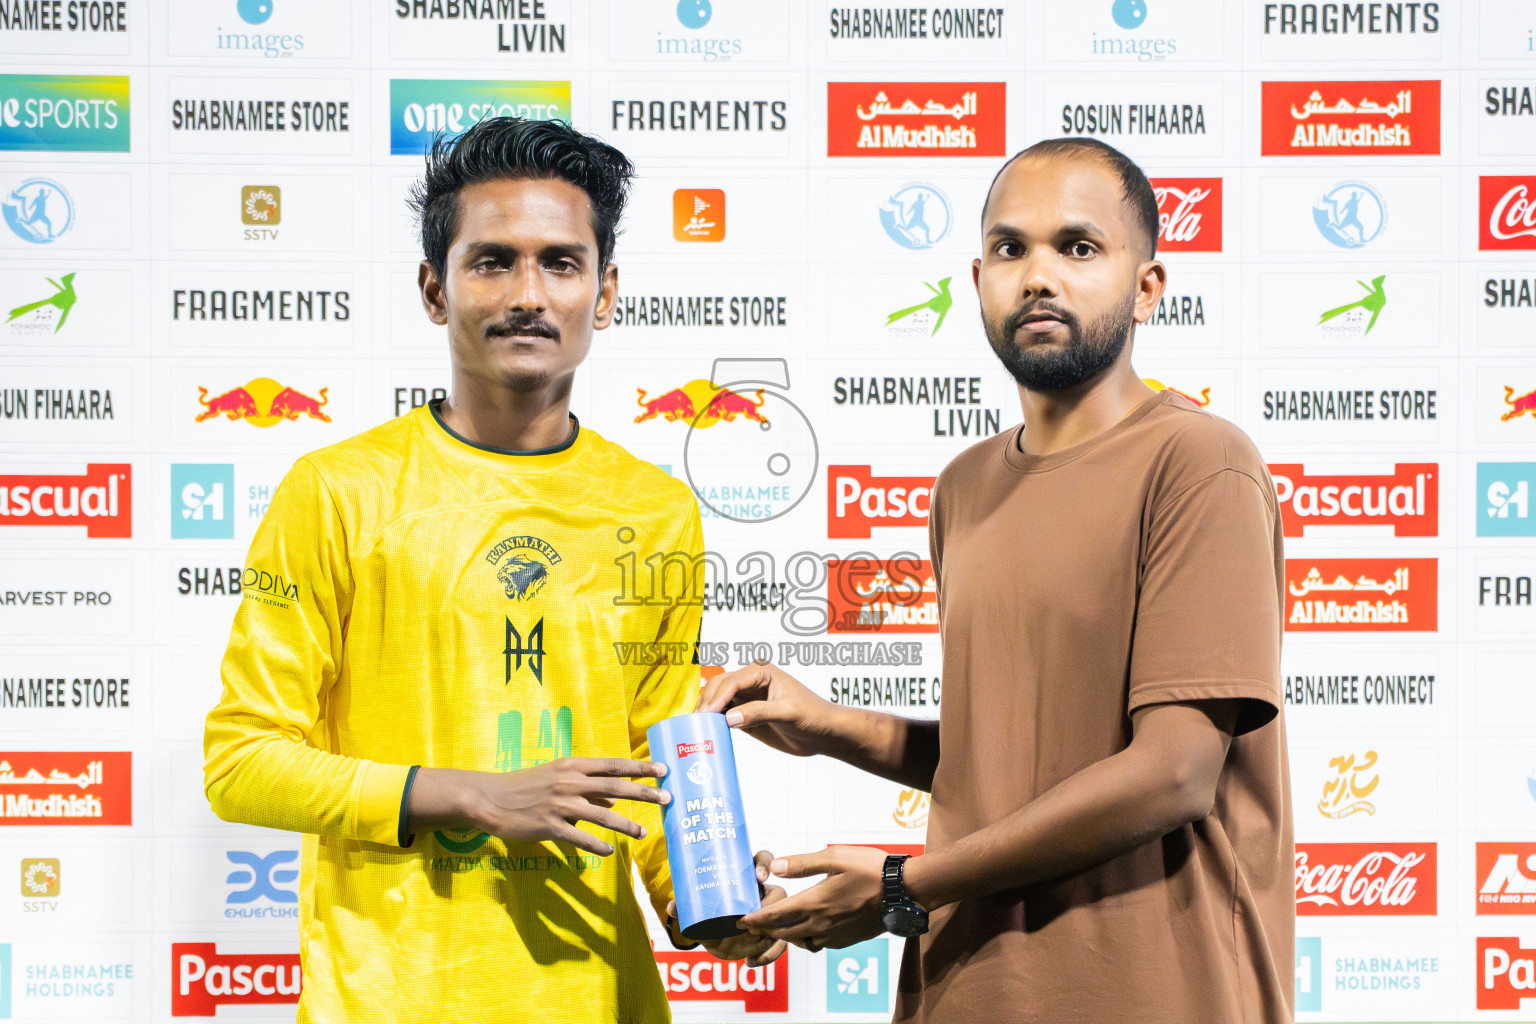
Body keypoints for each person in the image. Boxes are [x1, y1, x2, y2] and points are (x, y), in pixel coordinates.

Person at [204, 116, 784, 1024]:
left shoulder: (657, 510)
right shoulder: (337, 492)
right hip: (392, 999)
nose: (529, 293)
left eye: (560, 262)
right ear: (435, 291)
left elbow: (652, 757)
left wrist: (708, 906)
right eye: (492, 262)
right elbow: (242, 762)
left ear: (607, 291)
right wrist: (474, 795)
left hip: (598, 995)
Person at [702, 136, 1294, 1022]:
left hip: (1156, 989)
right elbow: (1014, 759)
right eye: (1012, 249)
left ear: (1147, 287)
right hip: (971, 986)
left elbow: (1172, 772)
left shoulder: (1199, 462)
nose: (1039, 275)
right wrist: (829, 726)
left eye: (1078, 247)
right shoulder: (965, 487)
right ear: (977, 278)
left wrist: (905, 886)